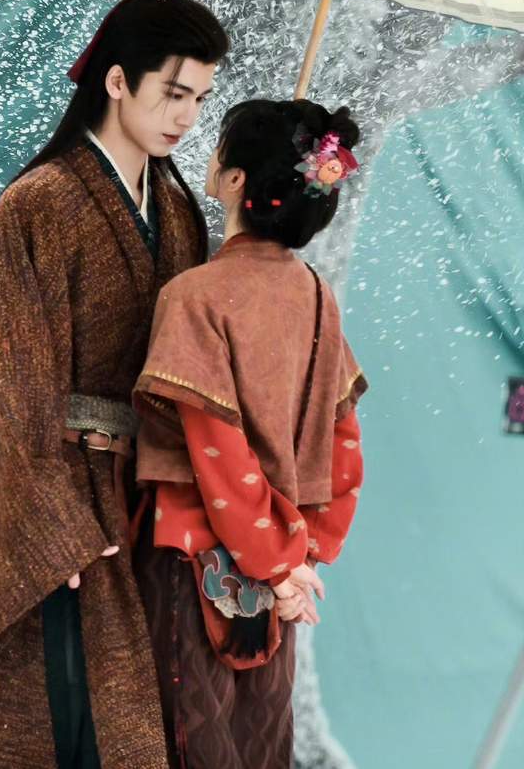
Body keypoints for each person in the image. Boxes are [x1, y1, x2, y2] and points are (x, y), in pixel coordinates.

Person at [0, 0, 229, 769]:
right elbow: (5, 382)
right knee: (55, 725)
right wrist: (55, 525)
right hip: (57, 510)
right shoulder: (40, 204)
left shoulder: (179, 212)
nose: (186, 117)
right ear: (117, 81)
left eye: (200, 98)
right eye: (173, 93)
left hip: (148, 503)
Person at [131, 98, 369, 769]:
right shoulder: (316, 296)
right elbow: (344, 438)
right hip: (279, 579)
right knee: (260, 744)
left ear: (235, 180)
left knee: (184, 748)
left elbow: (216, 448)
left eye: (220, 147)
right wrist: (302, 553)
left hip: (191, 562)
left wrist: (275, 559)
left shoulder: (195, 296)